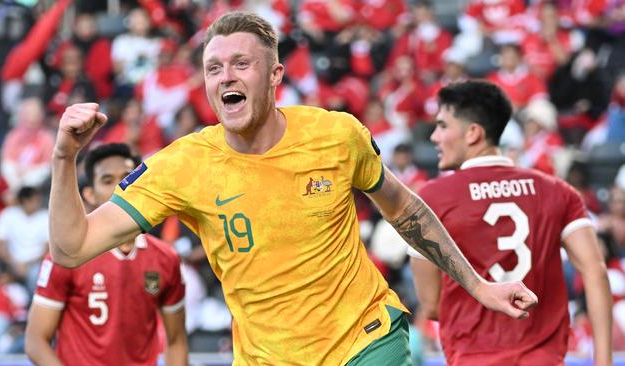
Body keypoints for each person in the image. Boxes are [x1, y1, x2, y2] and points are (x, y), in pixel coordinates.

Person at [49, 12, 537, 365]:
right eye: (214, 68)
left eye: (241, 64)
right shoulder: (182, 165)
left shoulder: (336, 135)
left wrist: (478, 285)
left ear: (276, 75)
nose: (226, 77)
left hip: (365, 340)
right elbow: (72, 249)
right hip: (267, 357)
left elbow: (404, 208)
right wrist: (64, 157)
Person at [409, 80, 612, 366]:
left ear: (473, 133)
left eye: (442, 126)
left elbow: (431, 305)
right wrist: (603, 362)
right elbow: (595, 272)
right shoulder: (558, 191)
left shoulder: (432, 197)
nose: (434, 137)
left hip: (473, 358)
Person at [25, 143, 187, 366]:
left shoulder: (166, 259)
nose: (121, 187)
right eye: (108, 180)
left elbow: (176, 340)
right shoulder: (65, 257)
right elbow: (36, 341)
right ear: (89, 194)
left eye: (128, 177)